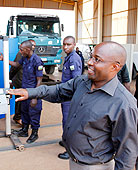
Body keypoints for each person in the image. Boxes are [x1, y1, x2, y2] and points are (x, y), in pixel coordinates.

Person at [8, 41, 138, 170]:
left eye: (97, 59)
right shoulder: (82, 81)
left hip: (95, 166)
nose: (90, 62)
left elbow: (127, 153)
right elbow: (58, 91)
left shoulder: (123, 104)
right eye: (92, 57)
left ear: (115, 67)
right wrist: (30, 92)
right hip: (74, 161)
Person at [0, 40, 43, 144]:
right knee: (24, 111)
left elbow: (39, 80)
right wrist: (4, 59)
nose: (20, 52)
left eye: (22, 50)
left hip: (32, 92)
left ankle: (34, 133)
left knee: (34, 113)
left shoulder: (37, 61)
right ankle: (24, 130)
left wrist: (35, 96)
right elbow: (16, 64)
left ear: (28, 50)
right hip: (24, 90)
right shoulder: (25, 58)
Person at [59, 36, 82, 160]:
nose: (65, 47)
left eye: (68, 44)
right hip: (65, 95)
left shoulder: (74, 59)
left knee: (69, 123)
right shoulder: (68, 57)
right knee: (65, 120)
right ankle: (66, 140)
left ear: (74, 45)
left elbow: (76, 81)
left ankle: (70, 150)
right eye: (64, 44)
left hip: (70, 97)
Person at [9, 51, 23, 126]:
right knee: (19, 100)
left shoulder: (33, 56)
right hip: (20, 81)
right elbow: (15, 67)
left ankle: (19, 117)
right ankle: (17, 117)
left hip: (27, 82)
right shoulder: (21, 54)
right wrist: (10, 79)